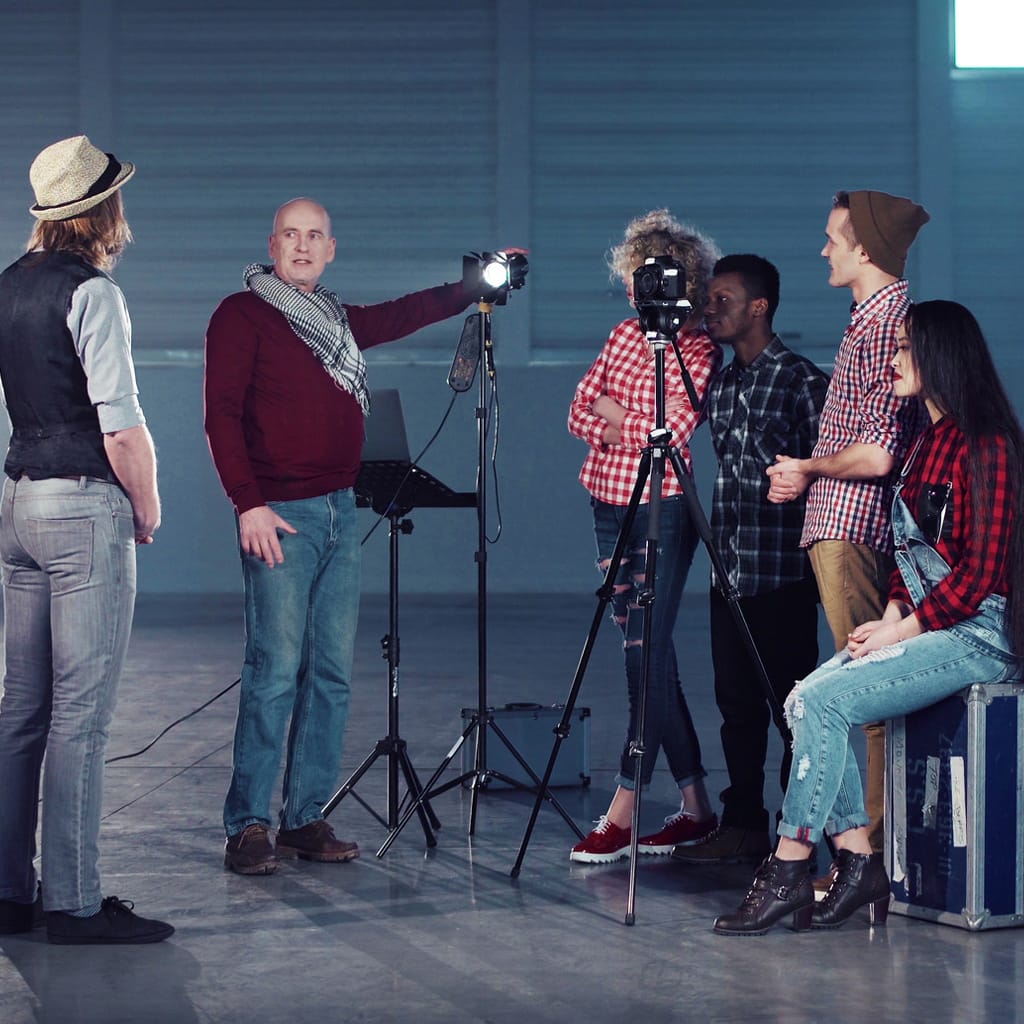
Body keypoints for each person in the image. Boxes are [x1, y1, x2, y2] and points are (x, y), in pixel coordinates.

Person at [715, 299, 1024, 935]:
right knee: (803, 700)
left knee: (822, 702)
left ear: (941, 355)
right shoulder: (924, 443)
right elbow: (908, 556)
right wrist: (889, 616)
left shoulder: (989, 445)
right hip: (933, 623)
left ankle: (788, 865)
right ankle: (858, 860)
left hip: (981, 634)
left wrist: (902, 630)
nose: (893, 358)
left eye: (906, 348)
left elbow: (982, 574)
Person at [205, 197, 490, 874]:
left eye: (315, 236)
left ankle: (303, 818)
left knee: (330, 675)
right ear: (272, 245)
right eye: (291, 235)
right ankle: (248, 826)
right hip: (280, 514)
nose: (303, 246)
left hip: (341, 508)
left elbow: (400, 314)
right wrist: (247, 504)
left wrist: (471, 289)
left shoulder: (334, 320)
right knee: (275, 672)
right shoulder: (242, 314)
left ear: (331, 250)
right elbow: (221, 416)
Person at [0, 136, 173, 944]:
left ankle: (8, 893)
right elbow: (121, 426)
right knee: (80, 714)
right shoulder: (93, 293)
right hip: (80, 508)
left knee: (21, 708)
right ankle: (73, 903)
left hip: (17, 503)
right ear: (104, 211)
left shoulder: (7, 285)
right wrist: (147, 504)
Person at [766, 190, 930, 858]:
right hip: (842, 522)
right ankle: (862, 851)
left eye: (834, 239)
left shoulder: (888, 324)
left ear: (864, 248)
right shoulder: (870, 319)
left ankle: (872, 854)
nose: (824, 250)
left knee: (862, 692)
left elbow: (880, 452)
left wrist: (807, 466)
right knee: (853, 689)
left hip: (853, 525)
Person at [566, 209, 721, 863]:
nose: (641, 290)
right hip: (607, 504)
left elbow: (673, 433)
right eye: (636, 277)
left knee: (644, 658)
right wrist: (628, 420)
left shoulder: (699, 348)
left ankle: (624, 810)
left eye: (655, 277)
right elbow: (578, 411)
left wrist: (618, 417)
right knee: (652, 658)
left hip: (665, 508)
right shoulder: (622, 335)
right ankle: (697, 809)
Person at [672, 255, 828, 867]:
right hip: (729, 574)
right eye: (708, 300)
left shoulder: (800, 380)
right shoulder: (721, 381)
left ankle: (797, 835)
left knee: (790, 711)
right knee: (735, 710)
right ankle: (743, 825)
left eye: (723, 300)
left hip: (782, 578)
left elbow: (825, 478)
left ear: (759, 307)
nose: (710, 310)